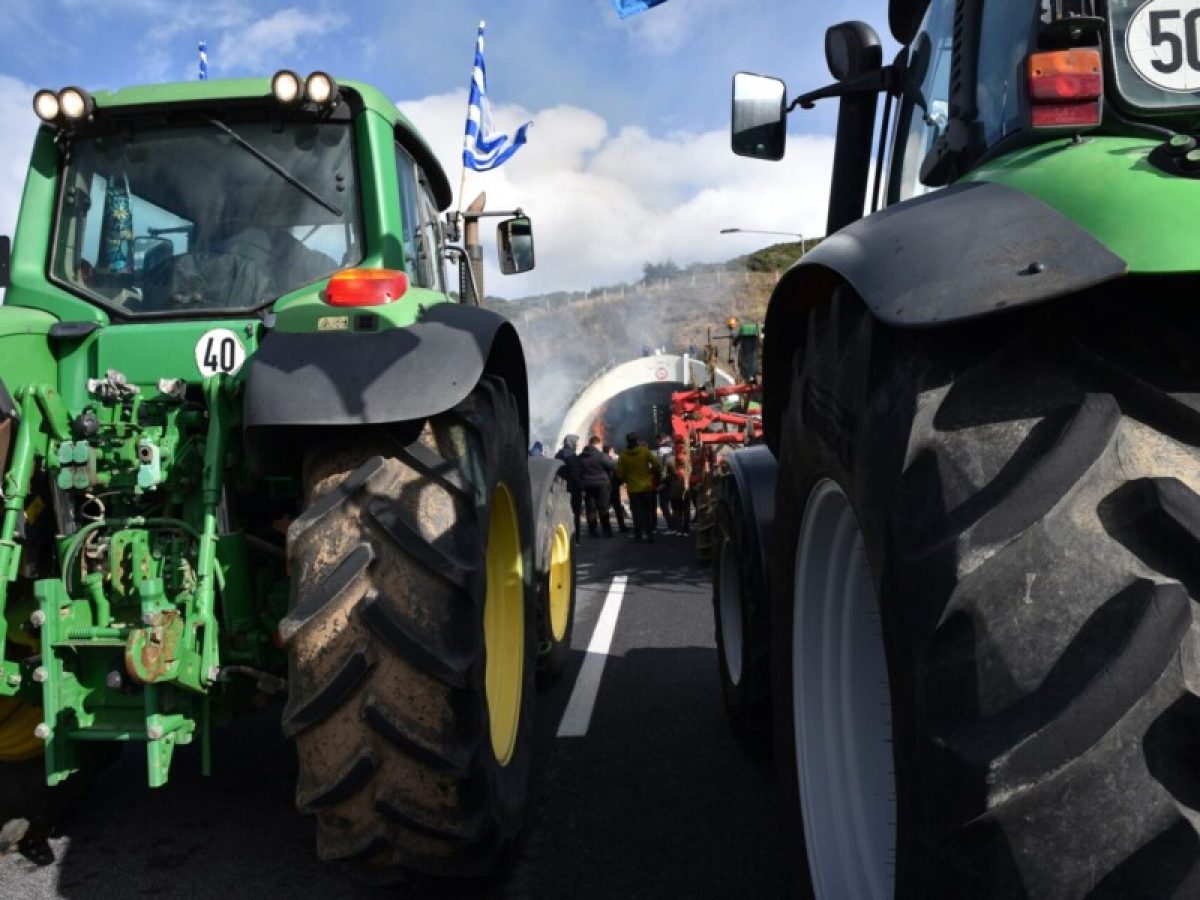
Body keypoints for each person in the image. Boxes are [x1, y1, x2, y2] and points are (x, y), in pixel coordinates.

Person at [616, 432, 659, 543]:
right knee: (647, 512)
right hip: (646, 487)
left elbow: (619, 472)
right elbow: (656, 464)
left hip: (633, 488)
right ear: (637, 440)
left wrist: (626, 479)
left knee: (636, 512)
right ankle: (649, 534)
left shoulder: (623, 455)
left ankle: (638, 535)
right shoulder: (644, 452)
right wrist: (650, 473)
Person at [579, 436, 615, 538]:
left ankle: (592, 531)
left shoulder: (581, 456)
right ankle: (606, 531)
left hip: (587, 485)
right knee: (603, 508)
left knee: (591, 509)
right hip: (601, 485)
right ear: (597, 444)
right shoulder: (601, 456)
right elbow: (612, 466)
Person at [555, 434, 584, 544]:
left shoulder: (558, 455)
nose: (577, 445)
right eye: (575, 442)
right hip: (573, 489)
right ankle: (575, 538)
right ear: (571, 443)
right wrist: (581, 486)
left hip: (560, 488)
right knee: (575, 514)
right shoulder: (572, 457)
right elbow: (575, 474)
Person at [604, 444, 629, 532]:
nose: (614, 453)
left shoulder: (602, 461)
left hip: (605, 488)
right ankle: (622, 526)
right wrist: (620, 482)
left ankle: (607, 528)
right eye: (612, 451)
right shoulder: (612, 462)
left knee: (606, 509)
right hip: (613, 487)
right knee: (617, 508)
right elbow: (618, 474)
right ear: (609, 452)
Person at [666, 459, 691, 535]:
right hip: (685, 492)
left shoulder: (670, 463)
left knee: (677, 512)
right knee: (686, 511)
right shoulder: (687, 468)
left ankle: (679, 530)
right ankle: (686, 530)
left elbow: (666, 480)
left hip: (674, 493)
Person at [655, 434, 674, 532]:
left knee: (664, 505)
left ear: (660, 440)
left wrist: (661, 483)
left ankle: (671, 525)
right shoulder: (673, 447)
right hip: (675, 480)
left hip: (665, 481)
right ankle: (677, 526)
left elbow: (660, 467)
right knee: (675, 505)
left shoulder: (661, 451)